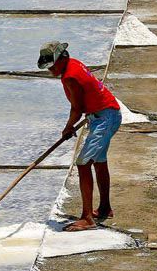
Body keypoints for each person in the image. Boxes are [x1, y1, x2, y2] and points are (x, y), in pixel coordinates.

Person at [38, 41, 122, 232]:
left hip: (105, 117)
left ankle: (87, 218)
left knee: (83, 163)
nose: (50, 70)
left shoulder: (70, 77)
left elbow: (77, 109)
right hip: (104, 114)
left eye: (52, 65)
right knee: (99, 161)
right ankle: (104, 208)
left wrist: (68, 128)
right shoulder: (73, 64)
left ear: (61, 59)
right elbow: (82, 104)